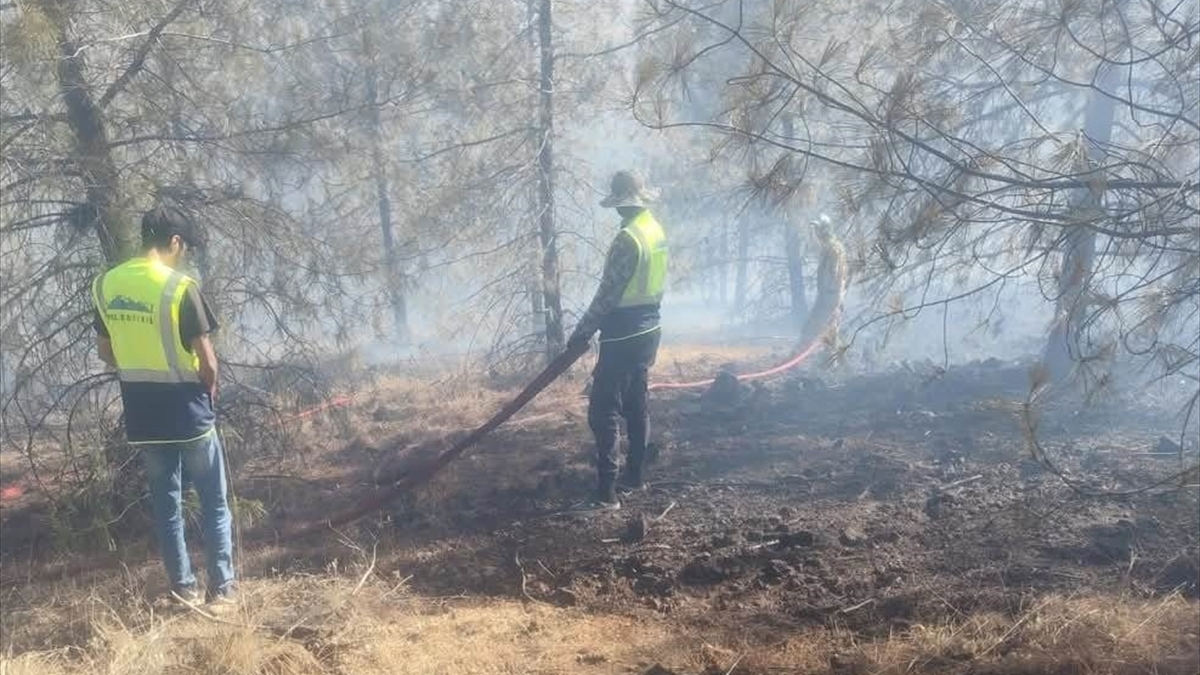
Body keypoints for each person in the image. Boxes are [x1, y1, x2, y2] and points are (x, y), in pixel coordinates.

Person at [92, 207, 236, 609]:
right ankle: (222, 590)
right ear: (174, 242)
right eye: (183, 246)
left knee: (166, 507)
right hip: (189, 413)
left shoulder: (106, 285)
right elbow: (207, 361)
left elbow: (105, 351)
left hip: (144, 415)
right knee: (214, 502)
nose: (182, 253)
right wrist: (209, 388)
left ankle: (182, 589)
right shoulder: (179, 287)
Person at [566, 171, 669, 513]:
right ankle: (635, 476)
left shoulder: (628, 239)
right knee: (636, 403)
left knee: (603, 410)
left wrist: (582, 331)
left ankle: (605, 493)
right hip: (649, 329)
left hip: (623, 333)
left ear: (623, 203)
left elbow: (607, 294)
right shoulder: (654, 230)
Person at [799, 213, 847, 353]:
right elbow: (814, 247)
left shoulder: (833, 250)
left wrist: (834, 301)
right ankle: (829, 360)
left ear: (824, 230)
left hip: (830, 296)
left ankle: (800, 356)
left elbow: (836, 275)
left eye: (817, 230)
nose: (816, 233)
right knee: (827, 330)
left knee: (815, 328)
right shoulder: (830, 246)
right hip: (829, 295)